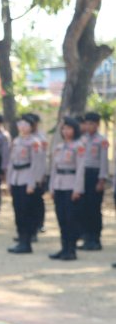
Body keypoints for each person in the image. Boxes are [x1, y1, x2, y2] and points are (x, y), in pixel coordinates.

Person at [49, 117, 85, 261]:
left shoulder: (79, 146)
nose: (66, 131)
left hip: (71, 185)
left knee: (71, 218)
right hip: (59, 184)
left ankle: (71, 249)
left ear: (75, 130)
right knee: (61, 218)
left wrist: (78, 189)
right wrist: (52, 187)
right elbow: (54, 169)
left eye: (69, 128)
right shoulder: (59, 147)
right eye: (64, 128)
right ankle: (64, 247)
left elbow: (81, 169)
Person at [7, 115, 44, 254]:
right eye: (20, 124)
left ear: (31, 127)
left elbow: (36, 164)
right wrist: (9, 180)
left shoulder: (34, 142)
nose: (22, 127)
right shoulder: (16, 141)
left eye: (26, 125)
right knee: (18, 211)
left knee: (26, 211)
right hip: (16, 178)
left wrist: (32, 183)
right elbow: (11, 162)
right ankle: (21, 239)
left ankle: (27, 241)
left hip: (27, 178)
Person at [78, 111, 108, 251]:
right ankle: (86, 237)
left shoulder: (101, 140)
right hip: (83, 175)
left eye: (92, 124)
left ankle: (95, 238)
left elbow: (103, 162)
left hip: (94, 175)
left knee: (94, 208)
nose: (88, 126)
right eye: (87, 123)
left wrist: (101, 180)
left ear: (97, 125)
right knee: (83, 207)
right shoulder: (83, 140)